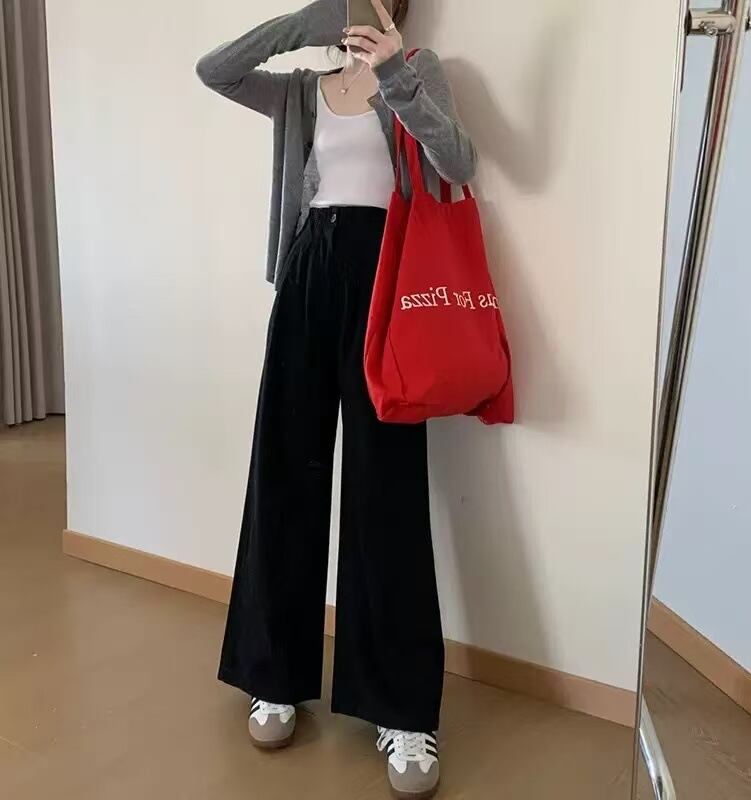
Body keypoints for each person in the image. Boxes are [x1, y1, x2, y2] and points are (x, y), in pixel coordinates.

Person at [196, 1, 476, 796]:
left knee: (386, 487)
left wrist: (392, 73)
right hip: (310, 272)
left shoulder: (418, 73)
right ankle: (273, 675)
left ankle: (401, 709)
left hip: (389, 281)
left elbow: (457, 163)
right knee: (284, 472)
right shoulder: (300, 89)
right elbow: (215, 71)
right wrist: (304, 24)